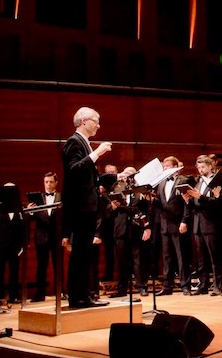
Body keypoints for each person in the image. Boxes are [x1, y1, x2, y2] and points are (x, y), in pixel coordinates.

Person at [61, 107, 112, 309]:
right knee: (80, 253)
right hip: (80, 207)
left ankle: (85, 295)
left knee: (85, 253)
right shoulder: (74, 142)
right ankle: (79, 298)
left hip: (87, 205)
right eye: (96, 120)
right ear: (84, 121)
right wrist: (97, 153)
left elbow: (85, 176)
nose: (98, 125)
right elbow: (72, 169)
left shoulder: (84, 143)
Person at [185, 154, 222, 295]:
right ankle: (203, 285)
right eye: (199, 167)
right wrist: (188, 200)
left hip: (212, 223)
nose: (200, 169)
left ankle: (217, 286)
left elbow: (218, 204)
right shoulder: (197, 182)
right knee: (201, 258)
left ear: (211, 166)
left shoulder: (217, 182)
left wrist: (201, 197)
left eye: (203, 167)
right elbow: (194, 204)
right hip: (198, 224)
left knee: (215, 257)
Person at [108, 167, 152, 297]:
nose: (127, 177)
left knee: (138, 260)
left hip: (136, 228)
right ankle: (122, 289)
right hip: (121, 229)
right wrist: (113, 207)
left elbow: (146, 211)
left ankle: (141, 286)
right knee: (122, 261)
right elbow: (107, 210)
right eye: (125, 174)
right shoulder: (116, 189)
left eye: (130, 175)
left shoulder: (140, 191)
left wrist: (147, 228)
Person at [152, 156, 192, 296]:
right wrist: (151, 199)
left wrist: (184, 221)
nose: (165, 168)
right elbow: (160, 203)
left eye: (168, 166)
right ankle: (167, 286)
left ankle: (185, 285)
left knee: (182, 256)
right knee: (167, 257)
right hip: (165, 224)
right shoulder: (161, 182)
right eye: (164, 166)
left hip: (178, 223)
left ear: (175, 167)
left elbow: (188, 204)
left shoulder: (183, 181)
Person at [26, 172, 61, 302]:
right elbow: (33, 219)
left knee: (58, 266)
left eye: (51, 182)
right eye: (46, 182)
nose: (48, 184)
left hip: (57, 237)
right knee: (41, 266)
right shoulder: (38, 199)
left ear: (56, 183)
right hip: (41, 237)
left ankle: (60, 292)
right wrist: (30, 211)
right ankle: (40, 294)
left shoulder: (61, 197)